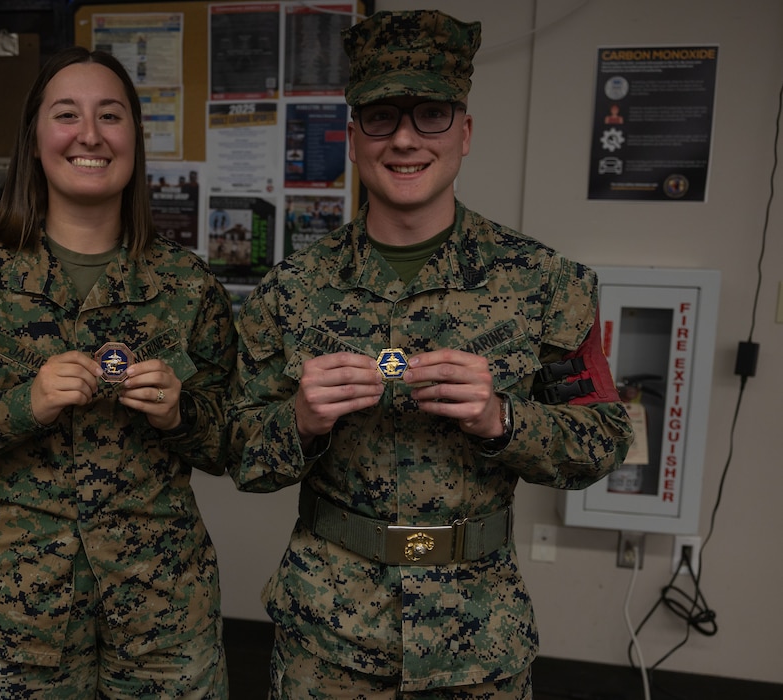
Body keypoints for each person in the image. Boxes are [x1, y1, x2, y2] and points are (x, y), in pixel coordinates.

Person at [227, 10, 634, 699]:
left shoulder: (545, 283)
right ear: (353, 139)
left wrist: (504, 420)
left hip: (477, 639)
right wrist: (297, 420)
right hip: (328, 641)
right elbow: (234, 450)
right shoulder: (290, 292)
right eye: (382, 116)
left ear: (465, 132)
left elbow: (604, 440)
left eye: (432, 114)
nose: (407, 139)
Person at [0, 46, 236, 699]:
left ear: (134, 140)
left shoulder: (187, 285)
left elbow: (233, 441)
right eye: (67, 115)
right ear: (35, 140)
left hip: (164, 616)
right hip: (15, 619)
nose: (90, 135)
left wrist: (180, 414)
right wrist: (22, 404)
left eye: (111, 116)